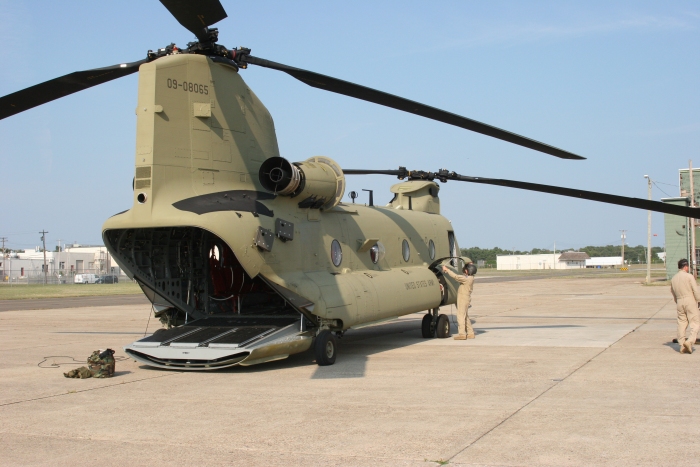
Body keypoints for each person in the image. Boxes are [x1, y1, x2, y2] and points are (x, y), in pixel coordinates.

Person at [670, 258, 700, 354]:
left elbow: (673, 293)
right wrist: (699, 300)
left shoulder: (674, 278)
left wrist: (678, 301)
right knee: (695, 323)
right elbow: (695, 290)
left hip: (679, 301)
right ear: (686, 267)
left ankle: (682, 345)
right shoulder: (689, 276)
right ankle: (690, 341)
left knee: (681, 324)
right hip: (689, 300)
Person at [442, 261, 476, 340]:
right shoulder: (471, 278)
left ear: (468, 271)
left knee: (460, 315)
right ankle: (470, 333)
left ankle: (462, 334)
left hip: (463, 298)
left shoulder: (466, 279)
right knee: (465, 316)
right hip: (466, 298)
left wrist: (447, 270)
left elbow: (456, 276)